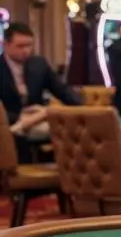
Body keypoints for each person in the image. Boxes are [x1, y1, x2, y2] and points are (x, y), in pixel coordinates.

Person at [0, 22, 80, 162]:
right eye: (20, 46)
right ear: (5, 45)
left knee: (71, 132)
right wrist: (20, 118)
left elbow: (62, 90)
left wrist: (86, 110)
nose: (26, 51)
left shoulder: (39, 65)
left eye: (29, 45)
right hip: (7, 124)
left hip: (38, 120)